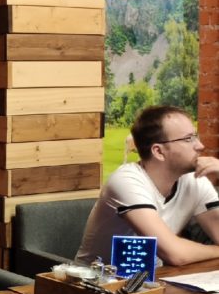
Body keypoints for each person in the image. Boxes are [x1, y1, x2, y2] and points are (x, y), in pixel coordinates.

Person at [76, 105, 219, 267]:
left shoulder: (195, 179)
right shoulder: (126, 181)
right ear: (158, 151)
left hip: (154, 278)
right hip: (97, 280)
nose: (200, 146)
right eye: (188, 139)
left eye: (196, 136)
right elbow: (175, 254)